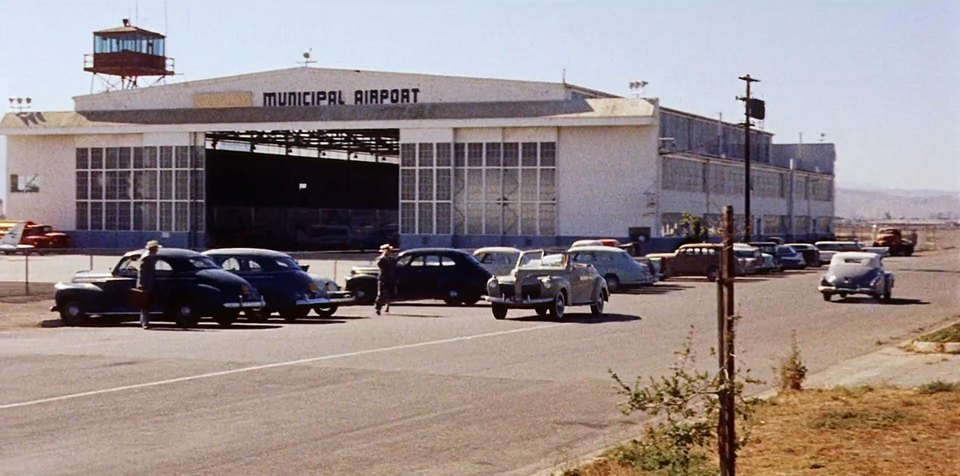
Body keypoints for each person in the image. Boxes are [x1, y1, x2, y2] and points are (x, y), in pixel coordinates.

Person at [137, 240, 160, 329]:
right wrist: (141, 283)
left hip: (149, 282)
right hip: (146, 283)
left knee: (146, 303)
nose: (157, 250)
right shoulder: (147, 257)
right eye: (156, 248)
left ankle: (143, 321)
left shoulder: (149, 256)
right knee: (145, 303)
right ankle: (144, 322)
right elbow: (142, 272)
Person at [374, 243, 397, 315]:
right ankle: (378, 307)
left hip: (390, 278)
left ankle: (387, 307)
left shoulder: (391, 259)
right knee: (380, 294)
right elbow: (379, 264)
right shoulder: (381, 259)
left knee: (389, 294)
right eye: (387, 250)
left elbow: (395, 265)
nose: (389, 252)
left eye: (389, 251)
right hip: (383, 278)